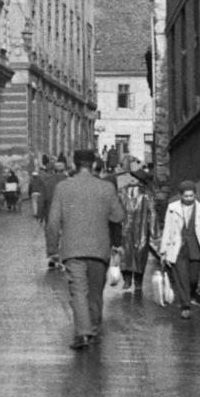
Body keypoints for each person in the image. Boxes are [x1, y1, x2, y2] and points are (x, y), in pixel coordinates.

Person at [45, 148, 125, 350]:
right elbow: (118, 216)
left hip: (72, 249)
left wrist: (52, 248)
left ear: (74, 164)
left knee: (78, 291)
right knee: (96, 291)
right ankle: (94, 328)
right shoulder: (106, 188)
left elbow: (53, 221)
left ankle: (82, 333)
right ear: (94, 165)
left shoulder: (63, 188)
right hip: (100, 249)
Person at [160, 180, 200, 320]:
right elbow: (167, 229)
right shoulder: (172, 208)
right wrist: (163, 251)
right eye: (186, 196)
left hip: (195, 247)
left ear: (195, 195)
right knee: (182, 278)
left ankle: (189, 295)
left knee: (193, 279)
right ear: (180, 196)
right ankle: (185, 306)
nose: (189, 199)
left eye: (191, 196)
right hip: (177, 248)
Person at [118, 170, 158, 296]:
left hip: (141, 229)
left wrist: (153, 232)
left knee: (140, 255)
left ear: (139, 180)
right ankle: (127, 278)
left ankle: (138, 280)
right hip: (125, 229)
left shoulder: (147, 195)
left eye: (133, 177)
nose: (130, 178)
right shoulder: (122, 192)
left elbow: (152, 213)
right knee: (125, 254)